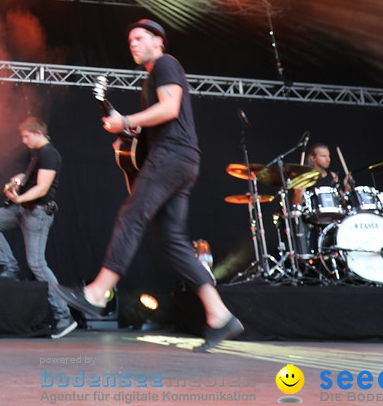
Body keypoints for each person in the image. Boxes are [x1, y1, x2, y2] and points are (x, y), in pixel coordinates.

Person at [53, 18, 242, 352]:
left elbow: (168, 109)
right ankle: (220, 315)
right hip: (181, 161)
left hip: (172, 158)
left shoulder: (166, 64)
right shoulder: (152, 78)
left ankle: (97, 293)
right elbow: (158, 123)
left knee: (131, 216)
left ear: (158, 41)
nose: (133, 44)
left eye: (139, 38)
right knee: (173, 242)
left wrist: (126, 121)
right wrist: (128, 136)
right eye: (130, 41)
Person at [0, 117, 76, 339]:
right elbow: (33, 179)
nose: (23, 140)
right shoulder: (38, 155)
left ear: (37, 132)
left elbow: (42, 188)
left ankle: (64, 316)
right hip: (24, 210)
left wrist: (18, 199)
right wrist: (19, 179)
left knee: (37, 265)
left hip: (38, 213)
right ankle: (10, 268)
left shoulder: (50, 154)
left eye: (26, 136)